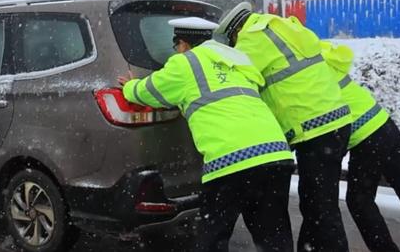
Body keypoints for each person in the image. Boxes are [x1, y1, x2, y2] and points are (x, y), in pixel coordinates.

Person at [117, 17, 295, 252]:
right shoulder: (236, 61)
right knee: (273, 234)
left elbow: (149, 90)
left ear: (182, 44)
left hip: (232, 159)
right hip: (275, 156)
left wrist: (129, 87)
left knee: (212, 236)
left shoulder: (185, 63)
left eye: (176, 47)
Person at [216, 2, 353, 252]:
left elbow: (232, 75)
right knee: (316, 204)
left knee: (322, 209)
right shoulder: (284, 27)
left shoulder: (252, 39)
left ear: (234, 32)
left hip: (315, 130)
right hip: (335, 124)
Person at [321, 41, 400, 252]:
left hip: (366, 137)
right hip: (384, 125)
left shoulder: (311, 76)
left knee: (359, 201)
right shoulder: (323, 62)